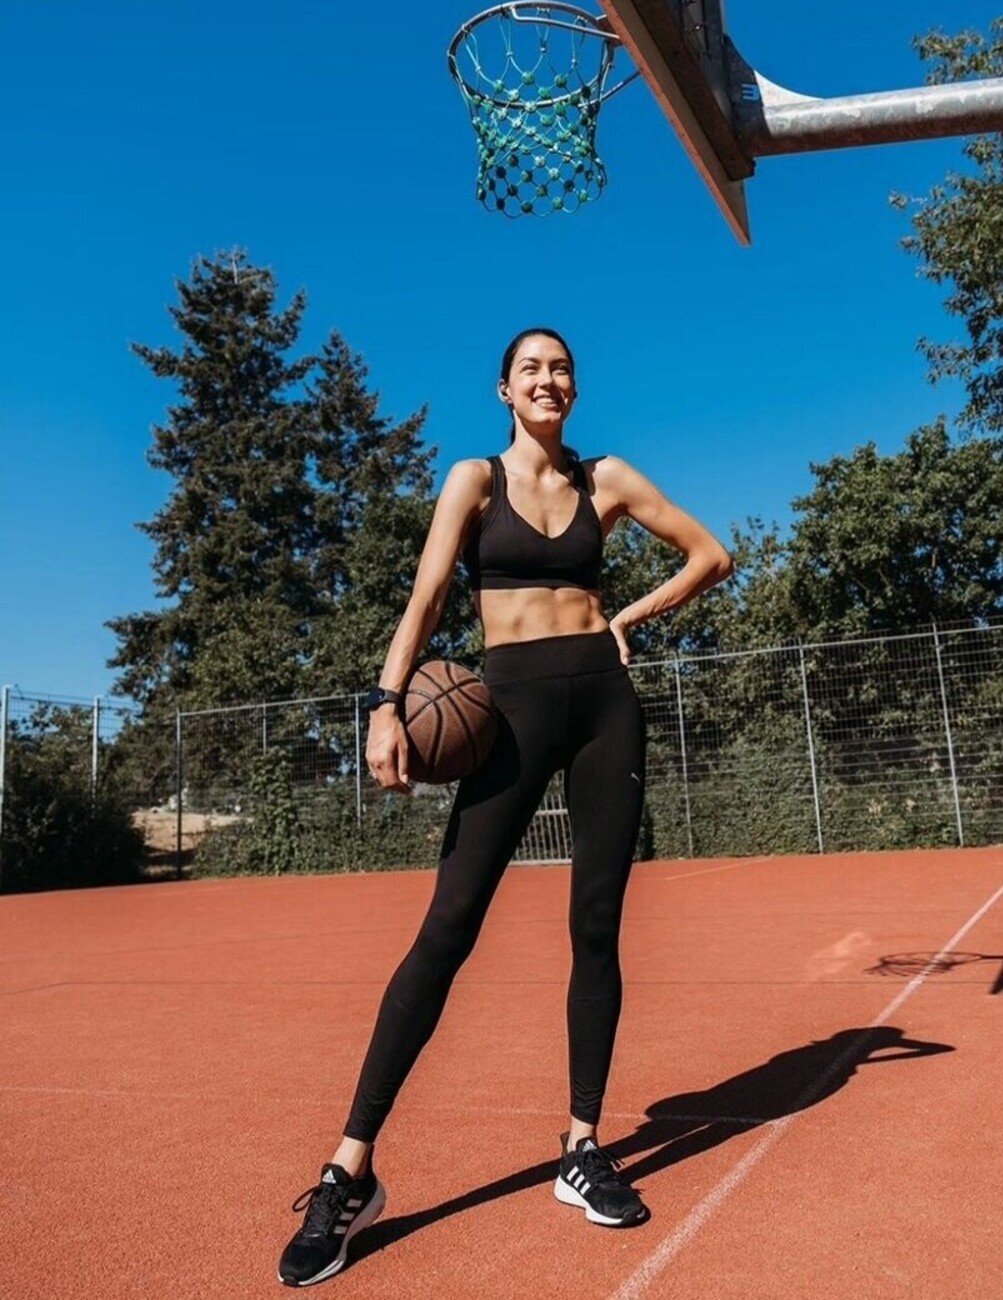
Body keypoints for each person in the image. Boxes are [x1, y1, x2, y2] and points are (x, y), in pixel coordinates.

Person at [278, 328, 733, 1287]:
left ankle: (582, 1146)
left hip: (605, 709)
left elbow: (711, 554)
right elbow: (427, 596)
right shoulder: (473, 480)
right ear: (504, 390)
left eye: (561, 368)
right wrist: (385, 705)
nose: (548, 379)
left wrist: (624, 617)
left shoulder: (607, 478)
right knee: (447, 929)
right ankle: (349, 1172)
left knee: (596, 925)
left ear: (575, 387)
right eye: (531, 369)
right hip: (507, 713)